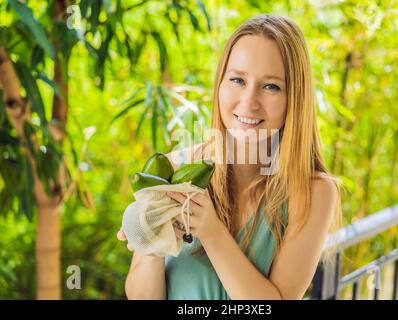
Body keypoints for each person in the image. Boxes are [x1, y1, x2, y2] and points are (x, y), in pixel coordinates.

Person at [117, 13, 342, 300]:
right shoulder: (174, 168)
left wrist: (212, 233)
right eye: (237, 79)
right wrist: (152, 241)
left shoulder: (313, 191)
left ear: (294, 98)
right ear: (220, 84)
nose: (248, 102)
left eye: (271, 86)